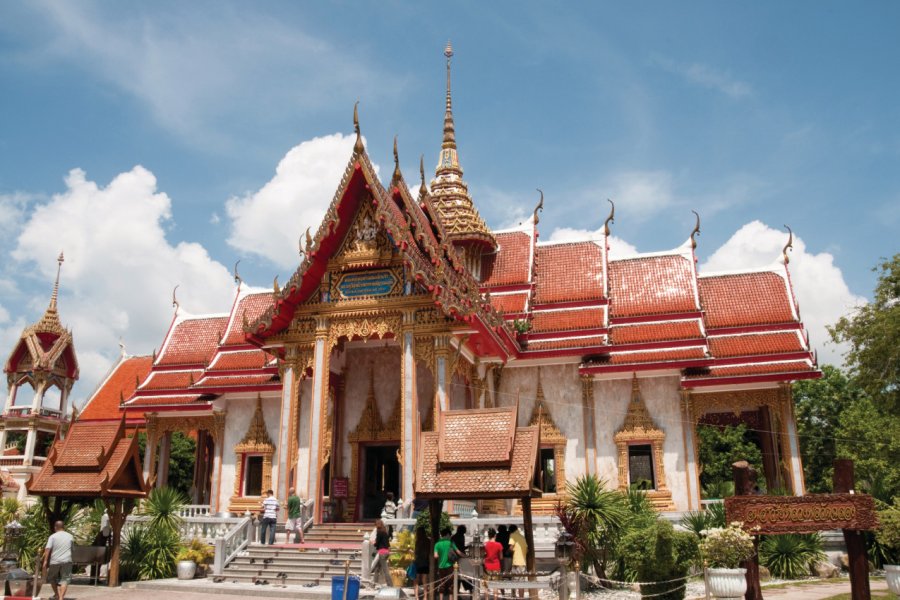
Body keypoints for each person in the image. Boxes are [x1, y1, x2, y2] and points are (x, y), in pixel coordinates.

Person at [43, 520, 74, 600]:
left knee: (52, 578)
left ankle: (56, 594)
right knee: (65, 579)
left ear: (55, 527)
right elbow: (72, 549)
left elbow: (47, 549)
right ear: (64, 527)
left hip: (55, 561)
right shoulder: (70, 536)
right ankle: (61, 598)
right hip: (67, 561)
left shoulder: (53, 536)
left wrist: (45, 561)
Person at [433, 527, 459, 600]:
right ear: (447, 534)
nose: (450, 536)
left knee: (442, 584)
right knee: (451, 584)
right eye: (450, 535)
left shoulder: (437, 544)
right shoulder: (451, 542)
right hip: (450, 566)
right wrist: (466, 556)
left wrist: (440, 556)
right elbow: (458, 552)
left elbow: (435, 555)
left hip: (441, 567)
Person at [508, 524, 528, 598]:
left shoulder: (513, 535)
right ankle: (521, 598)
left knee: (514, 581)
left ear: (510, 531)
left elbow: (511, 548)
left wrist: (507, 552)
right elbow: (526, 549)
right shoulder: (522, 537)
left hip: (516, 562)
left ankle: (513, 596)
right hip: (523, 563)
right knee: (521, 583)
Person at [482, 528, 503, 600]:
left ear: (488, 536)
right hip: (496, 566)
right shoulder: (499, 545)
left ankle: (486, 598)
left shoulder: (485, 544)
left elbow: (484, 555)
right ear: (495, 535)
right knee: (495, 585)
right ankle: (495, 598)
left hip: (487, 566)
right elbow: (501, 557)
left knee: (486, 585)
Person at [370, 519, 392, 585]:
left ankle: (390, 585)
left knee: (385, 570)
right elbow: (387, 544)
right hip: (386, 552)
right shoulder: (385, 531)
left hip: (382, 552)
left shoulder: (379, 532)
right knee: (377, 568)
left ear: (377, 525)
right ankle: (374, 583)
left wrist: (373, 543)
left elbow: (377, 543)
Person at [451, 525, 472, 593]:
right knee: (465, 576)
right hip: (460, 558)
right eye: (465, 529)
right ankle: (470, 590)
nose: (465, 531)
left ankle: (457, 592)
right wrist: (467, 548)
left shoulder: (454, 536)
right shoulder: (460, 536)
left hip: (455, 558)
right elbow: (460, 548)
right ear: (462, 530)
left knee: (458, 577)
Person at [413, 525, 431, 599]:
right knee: (425, 581)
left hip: (418, 562)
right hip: (426, 562)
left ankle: (417, 597)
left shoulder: (418, 541)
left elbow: (416, 552)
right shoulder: (428, 541)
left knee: (416, 581)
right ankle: (425, 597)